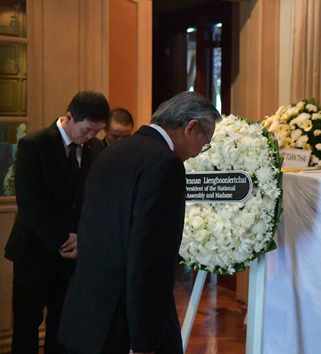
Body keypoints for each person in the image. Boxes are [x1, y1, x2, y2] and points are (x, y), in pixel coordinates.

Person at [58, 92, 222, 354]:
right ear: (191, 127)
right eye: (205, 143)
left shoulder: (109, 153)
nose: (198, 153)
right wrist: (144, 340)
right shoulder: (166, 164)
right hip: (126, 319)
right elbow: (151, 258)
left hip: (87, 314)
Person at [4, 91, 110, 354]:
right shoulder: (34, 144)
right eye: (87, 130)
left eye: (97, 132)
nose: (90, 137)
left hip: (73, 255)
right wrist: (64, 239)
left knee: (63, 325)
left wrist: (83, 239)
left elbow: (95, 200)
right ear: (69, 117)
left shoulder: (96, 148)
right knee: (27, 324)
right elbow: (30, 203)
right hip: (34, 250)